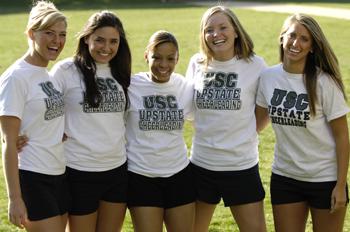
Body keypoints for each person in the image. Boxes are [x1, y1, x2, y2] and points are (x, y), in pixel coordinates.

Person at [256, 13, 349, 232]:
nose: (296, 43)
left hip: (325, 179)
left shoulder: (325, 82)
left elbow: (342, 136)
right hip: (285, 177)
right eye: (292, 35)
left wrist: (340, 185)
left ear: (313, 47)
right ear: (282, 38)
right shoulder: (268, 77)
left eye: (304, 39)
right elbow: (256, 124)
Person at [185, 6, 267, 232]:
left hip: (240, 165)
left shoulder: (255, 65)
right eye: (208, 29)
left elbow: (263, 111)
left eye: (223, 28)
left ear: (236, 31)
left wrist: (245, 133)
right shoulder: (197, 63)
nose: (216, 34)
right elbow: (189, 109)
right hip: (201, 164)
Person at [49, 11, 131, 232]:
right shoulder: (65, 71)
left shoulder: (121, 72)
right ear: (87, 38)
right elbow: (40, 107)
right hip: (78, 171)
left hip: (116, 170)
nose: (107, 47)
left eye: (114, 41)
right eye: (99, 40)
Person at [0, 1, 68, 231]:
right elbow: (8, 142)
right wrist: (15, 199)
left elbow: (43, 117)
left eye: (61, 34)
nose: (57, 41)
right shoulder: (16, 77)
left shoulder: (46, 75)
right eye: (49, 33)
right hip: (33, 177)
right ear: (31, 33)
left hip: (59, 173)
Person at [126, 30, 195, 232]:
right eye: (157, 57)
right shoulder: (131, 85)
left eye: (170, 58)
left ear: (177, 59)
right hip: (141, 177)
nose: (163, 65)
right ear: (147, 55)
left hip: (179, 175)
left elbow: (208, 118)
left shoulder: (184, 87)